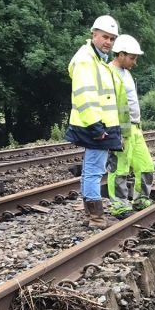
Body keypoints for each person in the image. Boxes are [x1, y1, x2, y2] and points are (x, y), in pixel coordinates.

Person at [66, 15, 123, 228]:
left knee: (92, 169)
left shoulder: (97, 60)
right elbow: (84, 95)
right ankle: (96, 217)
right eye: (105, 37)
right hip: (96, 126)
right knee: (94, 170)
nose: (108, 42)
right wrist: (96, 127)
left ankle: (92, 215)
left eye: (112, 38)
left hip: (100, 125)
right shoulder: (86, 60)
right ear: (94, 35)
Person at [106, 34, 155, 217]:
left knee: (146, 165)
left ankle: (141, 199)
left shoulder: (126, 73)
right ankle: (119, 206)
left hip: (135, 127)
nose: (134, 62)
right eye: (132, 58)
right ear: (120, 54)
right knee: (120, 167)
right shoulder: (108, 72)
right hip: (119, 128)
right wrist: (113, 130)